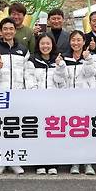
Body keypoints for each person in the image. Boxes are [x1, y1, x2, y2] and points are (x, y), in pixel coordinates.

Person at [0, 17, 30, 175]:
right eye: (5, 29)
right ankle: (1, 162)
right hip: (0, 97)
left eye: (11, 29)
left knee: (15, 129)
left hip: (18, 96)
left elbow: (28, 73)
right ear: (1, 31)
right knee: (1, 130)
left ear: (15, 30)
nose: (8, 31)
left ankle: (14, 161)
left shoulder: (23, 50)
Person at [26, 33, 67, 175]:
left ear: (52, 45)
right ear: (38, 45)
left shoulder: (59, 60)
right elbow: (29, 81)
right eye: (42, 43)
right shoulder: (31, 60)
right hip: (37, 103)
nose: (45, 46)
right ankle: (39, 163)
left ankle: (52, 162)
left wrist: (59, 67)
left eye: (48, 43)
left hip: (54, 104)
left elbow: (61, 83)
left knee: (52, 134)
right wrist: (38, 98)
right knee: (38, 134)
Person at [63, 30, 96, 175]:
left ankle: (88, 162)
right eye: (73, 40)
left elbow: (91, 73)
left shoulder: (93, 57)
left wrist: (87, 59)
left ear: (84, 42)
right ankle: (75, 162)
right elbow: (62, 78)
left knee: (86, 132)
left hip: (86, 101)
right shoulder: (64, 58)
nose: (76, 43)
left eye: (79, 40)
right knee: (73, 132)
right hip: (70, 102)